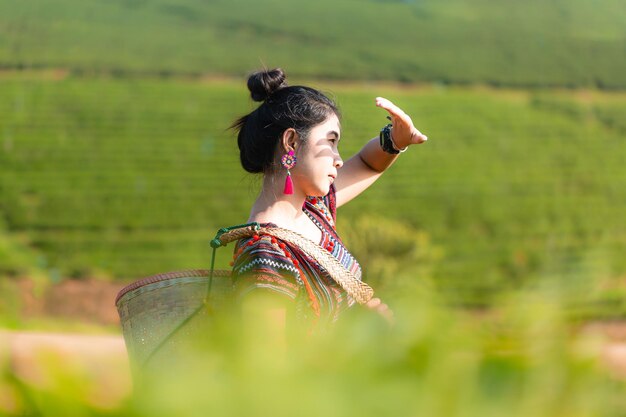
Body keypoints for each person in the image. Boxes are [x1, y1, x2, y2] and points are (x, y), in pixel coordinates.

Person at [229, 68, 427, 334]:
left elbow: (368, 164)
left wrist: (395, 139)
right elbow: (269, 367)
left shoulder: (313, 210)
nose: (338, 158)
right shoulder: (265, 254)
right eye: (331, 141)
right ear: (291, 141)